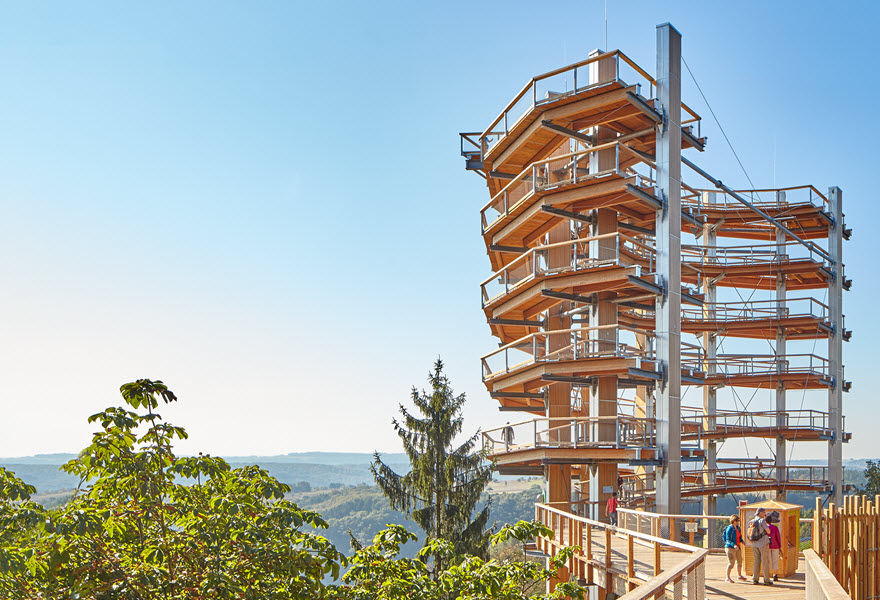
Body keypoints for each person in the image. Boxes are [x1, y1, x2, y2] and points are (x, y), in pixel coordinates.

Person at [748, 507, 772, 585]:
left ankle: (755, 579)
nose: (765, 514)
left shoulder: (752, 521)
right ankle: (766, 580)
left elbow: (749, 534)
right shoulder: (762, 521)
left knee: (756, 561)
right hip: (763, 543)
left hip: (755, 544)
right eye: (764, 512)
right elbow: (768, 531)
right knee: (765, 561)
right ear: (760, 513)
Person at [722, 515, 747, 583]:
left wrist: (742, 541)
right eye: (736, 520)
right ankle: (727, 577)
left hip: (737, 547)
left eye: (738, 520)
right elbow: (728, 540)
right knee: (731, 562)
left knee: (739, 561)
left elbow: (739, 537)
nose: (737, 522)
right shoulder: (730, 528)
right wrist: (734, 545)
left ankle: (739, 575)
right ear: (733, 521)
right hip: (730, 547)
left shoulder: (738, 528)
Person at [767, 514, 782, 581]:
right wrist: (779, 545)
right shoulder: (775, 528)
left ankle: (768, 575)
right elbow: (778, 537)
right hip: (775, 546)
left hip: (767, 546)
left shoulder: (764, 528)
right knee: (775, 560)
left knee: (768, 560)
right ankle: (775, 575)